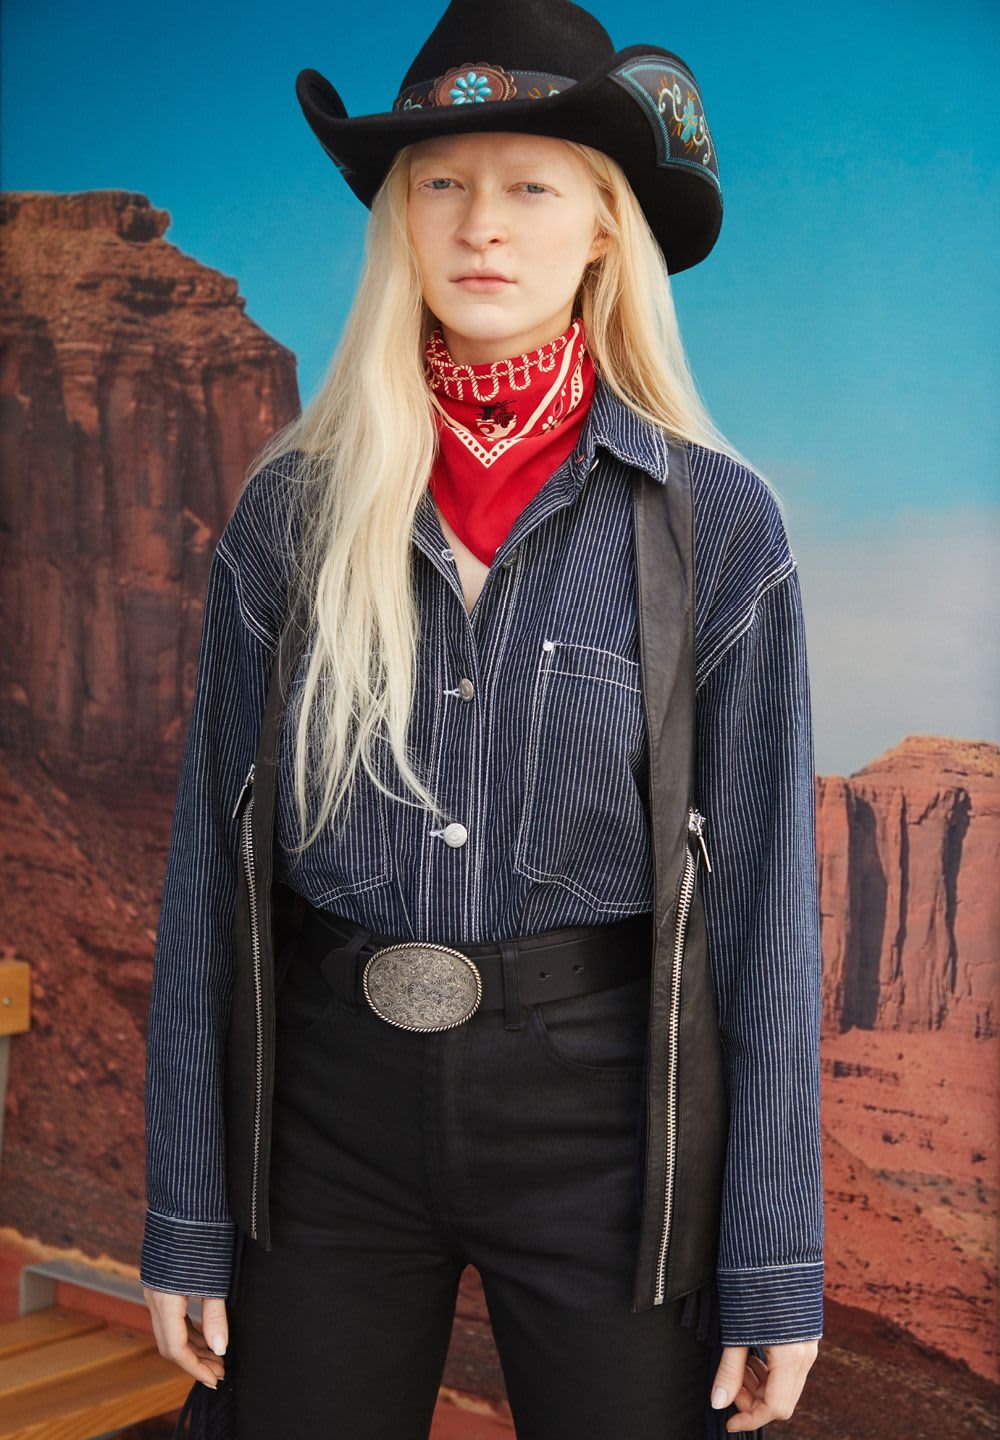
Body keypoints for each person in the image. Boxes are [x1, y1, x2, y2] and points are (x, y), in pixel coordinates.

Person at [140, 2, 825, 1436]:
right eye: (441, 184)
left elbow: (764, 920)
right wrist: (188, 1214)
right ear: (398, 223)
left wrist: (774, 1265)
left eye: (531, 186)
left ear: (601, 231)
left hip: (607, 1130)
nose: (481, 227)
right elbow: (213, 878)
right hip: (321, 1122)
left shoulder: (718, 527)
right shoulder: (289, 515)